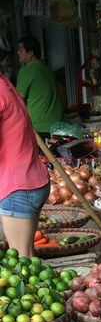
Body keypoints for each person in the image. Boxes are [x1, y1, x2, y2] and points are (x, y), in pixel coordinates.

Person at [0, 75, 50, 256]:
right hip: (31, 179)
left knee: (22, 262)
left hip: (17, 187)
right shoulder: (4, 83)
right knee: (28, 259)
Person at [16, 35, 63, 138]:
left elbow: (18, 101)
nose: (18, 52)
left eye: (20, 49)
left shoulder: (26, 71)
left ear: (30, 53)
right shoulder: (48, 69)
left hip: (38, 128)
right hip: (57, 125)